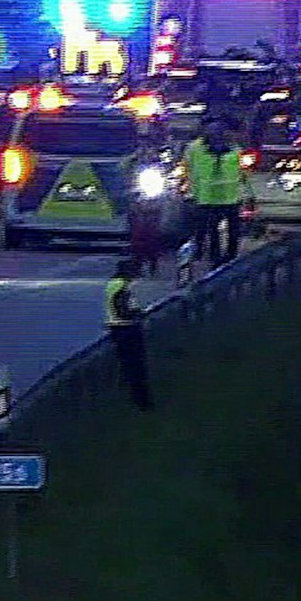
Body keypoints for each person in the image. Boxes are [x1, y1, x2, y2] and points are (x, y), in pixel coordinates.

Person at [183, 114, 253, 269]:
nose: (216, 133)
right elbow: (188, 170)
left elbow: (243, 173)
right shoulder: (195, 149)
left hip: (229, 198)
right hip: (208, 199)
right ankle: (215, 258)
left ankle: (229, 258)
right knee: (212, 231)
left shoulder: (235, 149)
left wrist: (248, 195)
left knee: (232, 232)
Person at [104, 257, 154, 410]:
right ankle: (142, 402)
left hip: (120, 328)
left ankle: (133, 397)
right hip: (126, 330)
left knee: (129, 366)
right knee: (135, 368)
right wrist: (138, 315)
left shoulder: (116, 284)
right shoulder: (120, 287)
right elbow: (123, 309)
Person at [121, 131, 166, 276]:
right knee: (137, 235)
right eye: (142, 144)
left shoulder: (157, 161)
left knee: (152, 234)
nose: (145, 148)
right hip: (136, 202)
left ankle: (152, 262)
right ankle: (138, 263)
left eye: (148, 145)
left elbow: (163, 175)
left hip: (153, 202)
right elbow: (124, 174)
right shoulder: (131, 160)